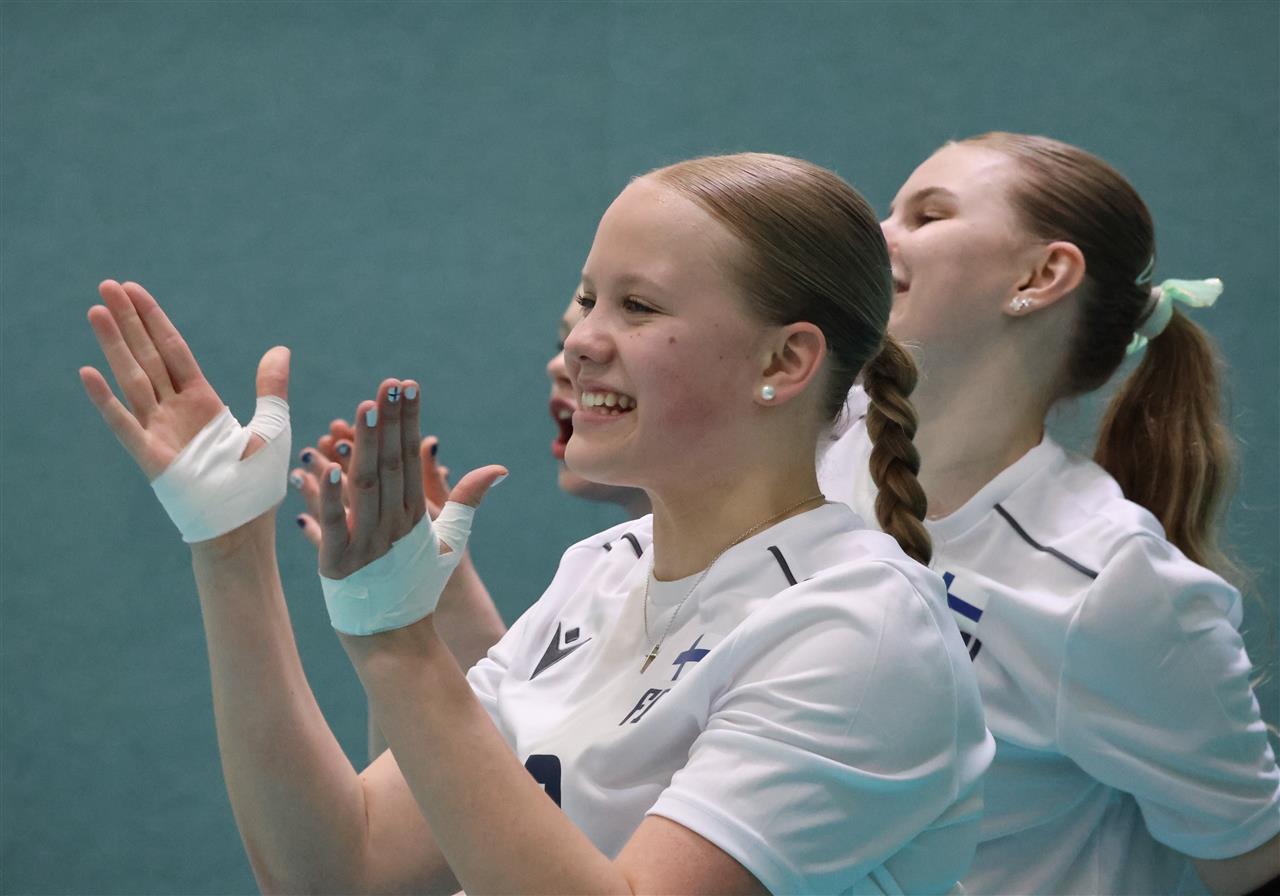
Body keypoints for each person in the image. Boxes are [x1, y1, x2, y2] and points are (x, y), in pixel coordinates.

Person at [80, 153, 994, 895]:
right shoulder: (601, 570)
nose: (581, 340)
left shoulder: (858, 626)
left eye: (639, 306)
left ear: (786, 361)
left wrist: (401, 647)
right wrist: (230, 545)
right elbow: (340, 869)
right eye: (589, 298)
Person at [817, 132, 1280, 894]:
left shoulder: (1114, 584)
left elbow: (1254, 862)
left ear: (1040, 276)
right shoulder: (811, 443)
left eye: (927, 216)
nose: (877, 232)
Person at [290, 300, 650, 759]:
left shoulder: (735, 617)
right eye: (563, 340)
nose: (563, 361)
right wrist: (434, 592)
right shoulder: (588, 577)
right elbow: (447, 789)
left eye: (638, 309)